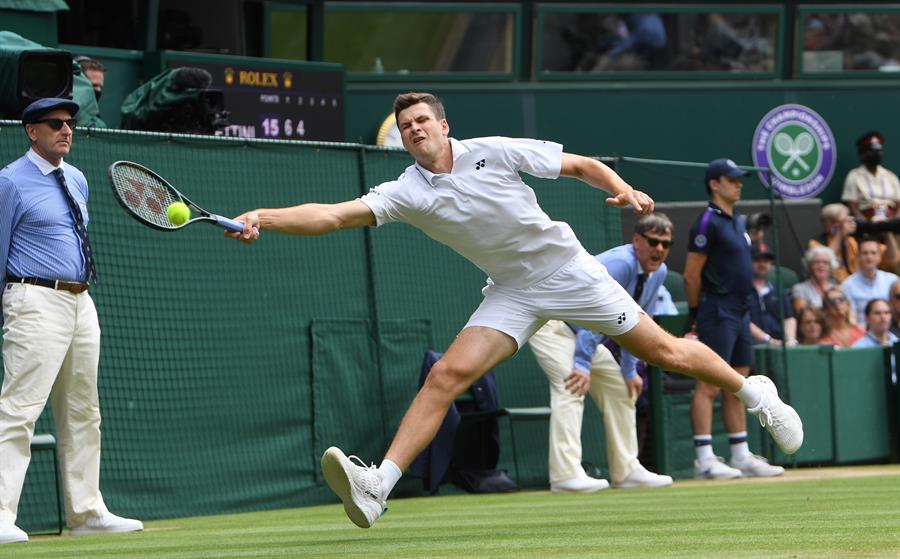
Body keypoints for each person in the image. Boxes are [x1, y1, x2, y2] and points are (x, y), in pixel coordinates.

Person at [226, 93, 803, 528]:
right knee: (446, 375)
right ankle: (378, 486)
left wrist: (624, 188)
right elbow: (332, 215)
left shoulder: (493, 151)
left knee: (666, 353)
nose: (415, 129)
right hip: (512, 291)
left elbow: (580, 166)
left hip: (569, 272)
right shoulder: (406, 191)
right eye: (405, 126)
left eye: (422, 120)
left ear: (444, 125)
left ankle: (756, 395)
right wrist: (263, 218)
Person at [0, 98, 143, 544]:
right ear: (32, 131)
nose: (66, 130)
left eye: (70, 123)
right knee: (18, 409)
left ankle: (86, 513)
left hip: (81, 302)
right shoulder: (9, 182)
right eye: (55, 123)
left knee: (84, 411)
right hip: (32, 299)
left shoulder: (77, 178)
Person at [528, 213, 675, 492]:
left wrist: (629, 370)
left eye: (666, 244)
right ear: (637, 241)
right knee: (571, 384)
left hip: (584, 332)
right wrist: (582, 364)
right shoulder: (621, 264)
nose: (659, 249)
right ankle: (564, 475)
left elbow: (638, 321)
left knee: (620, 387)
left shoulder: (659, 273)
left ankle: (626, 470)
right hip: (553, 323)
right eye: (653, 242)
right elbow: (592, 312)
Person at [684, 159, 785, 480]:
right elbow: (691, 275)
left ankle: (740, 455)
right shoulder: (706, 222)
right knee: (709, 384)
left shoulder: (739, 222)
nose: (739, 184)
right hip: (717, 310)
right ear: (715, 184)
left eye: (740, 179)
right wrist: (697, 313)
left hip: (741, 312)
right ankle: (704, 460)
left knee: (738, 385)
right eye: (732, 179)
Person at [841, 131, 900, 222]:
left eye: (879, 151)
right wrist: (867, 225)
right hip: (867, 221)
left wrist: (894, 222)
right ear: (862, 154)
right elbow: (853, 208)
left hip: (891, 221)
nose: (877, 154)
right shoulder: (854, 176)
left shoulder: (890, 176)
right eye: (872, 151)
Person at [840, 237, 899, 324]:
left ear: (880, 257)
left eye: (873, 253)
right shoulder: (847, 285)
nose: (869, 257)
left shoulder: (892, 280)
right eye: (865, 253)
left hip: (891, 329)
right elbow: (850, 318)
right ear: (858, 257)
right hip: (862, 329)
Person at [749, 243, 797, 347]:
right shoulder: (742, 290)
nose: (762, 264)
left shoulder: (778, 290)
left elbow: (788, 317)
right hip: (751, 345)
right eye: (758, 260)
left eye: (766, 261)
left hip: (779, 343)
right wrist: (768, 340)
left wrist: (790, 339)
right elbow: (743, 321)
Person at [791, 245, 839, 314]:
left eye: (825, 262)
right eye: (817, 262)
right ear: (809, 266)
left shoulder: (837, 288)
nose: (821, 265)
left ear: (831, 267)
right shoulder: (800, 289)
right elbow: (803, 314)